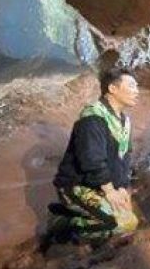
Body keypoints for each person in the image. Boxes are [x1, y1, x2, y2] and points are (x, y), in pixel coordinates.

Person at [46, 67, 140, 246]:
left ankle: (76, 213)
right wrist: (110, 191)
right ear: (112, 88)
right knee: (119, 224)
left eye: (137, 86)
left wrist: (122, 188)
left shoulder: (124, 121)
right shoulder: (93, 118)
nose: (137, 91)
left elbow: (125, 156)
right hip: (77, 185)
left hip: (101, 185)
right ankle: (63, 224)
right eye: (132, 86)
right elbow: (92, 160)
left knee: (132, 220)